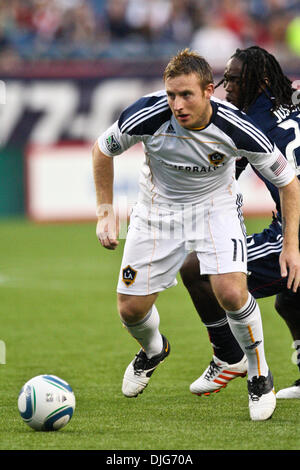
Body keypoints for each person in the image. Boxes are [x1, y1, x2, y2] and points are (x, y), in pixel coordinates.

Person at [92, 48, 300, 421]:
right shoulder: (146, 114)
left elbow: (288, 181)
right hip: (157, 213)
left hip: (215, 209)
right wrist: (106, 213)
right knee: (130, 310)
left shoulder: (238, 125)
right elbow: (101, 150)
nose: (177, 104)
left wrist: (291, 246)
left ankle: (258, 374)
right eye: (171, 95)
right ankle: (154, 350)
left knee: (232, 291)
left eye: (186, 94)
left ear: (208, 91)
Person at [180, 46, 300, 399]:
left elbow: (225, 174)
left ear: (260, 81)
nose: (225, 87)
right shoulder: (291, 101)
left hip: (294, 229)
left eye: (234, 79)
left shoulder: (249, 124)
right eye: (225, 78)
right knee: (290, 299)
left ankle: (230, 356)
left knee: (197, 268)